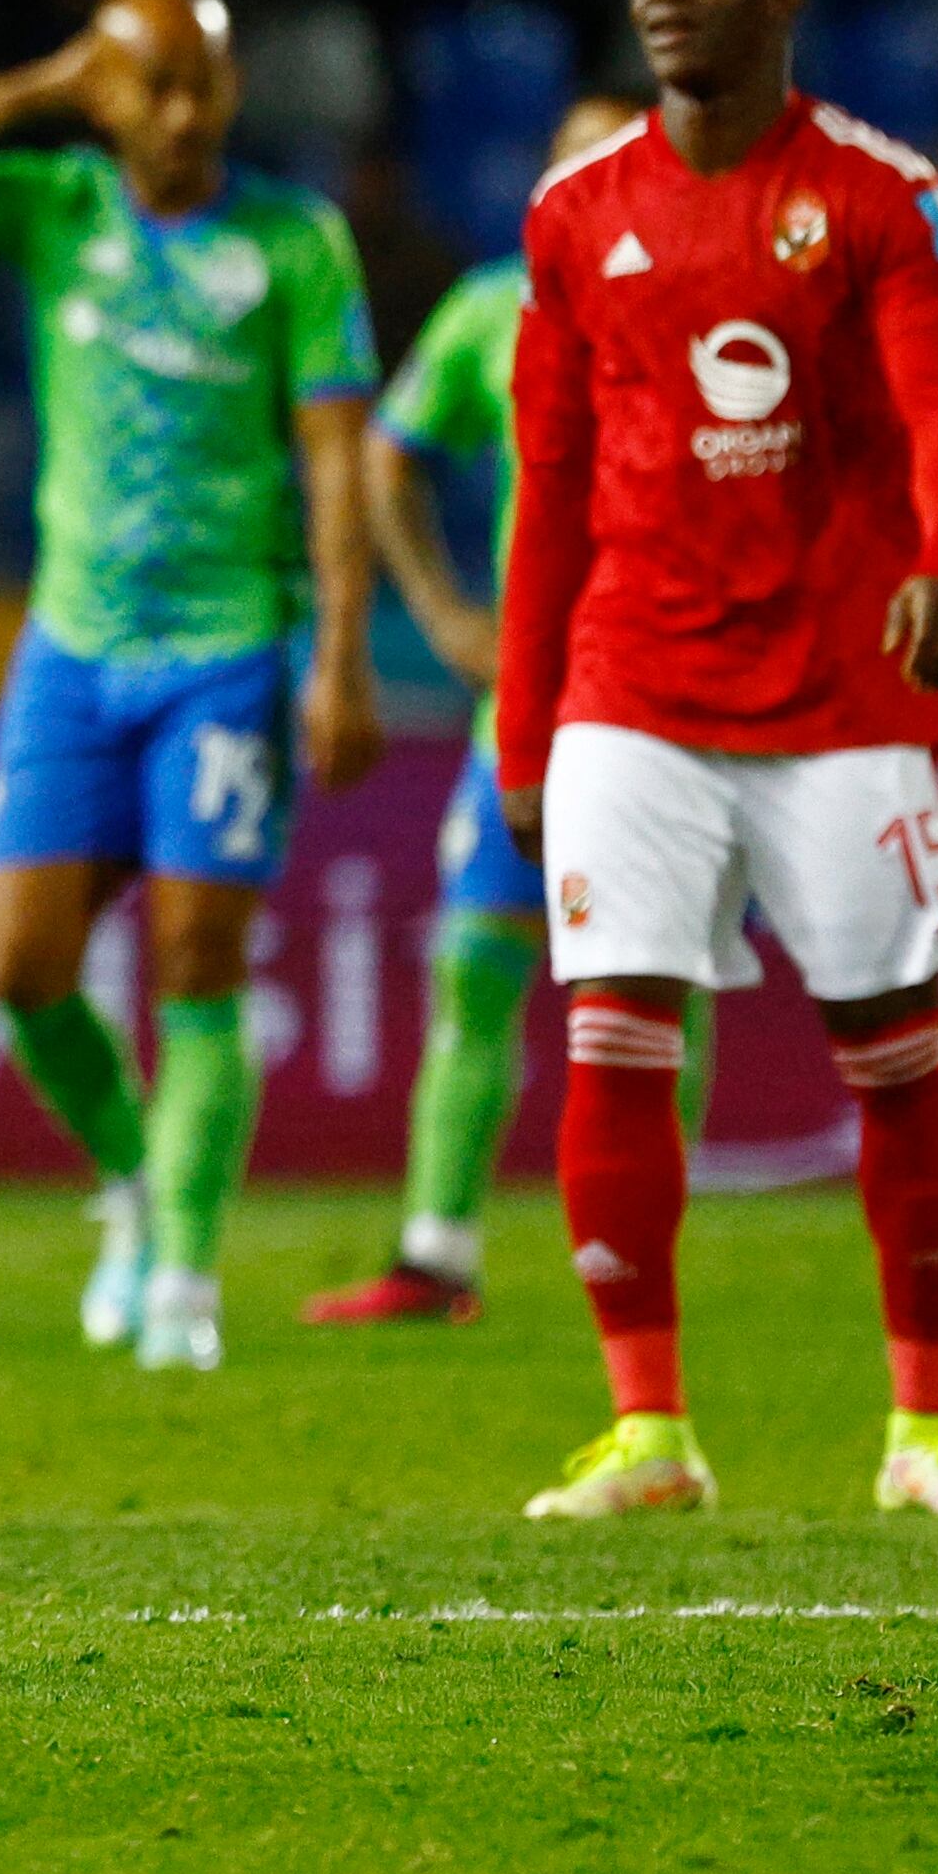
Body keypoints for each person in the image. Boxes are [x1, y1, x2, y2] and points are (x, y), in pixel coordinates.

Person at [497, 0, 938, 1522]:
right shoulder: (577, 210)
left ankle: (924, 1424)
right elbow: (552, 483)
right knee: (611, 1031)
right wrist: (525, 725)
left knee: (891, 1044)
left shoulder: (878, 192)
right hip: (631, 687)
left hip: (838, 685)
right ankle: (645, 1426)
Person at [0, 0, 385, 1372]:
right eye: (151, 84)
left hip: (226, 651)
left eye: (204, 81)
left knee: (200, 962)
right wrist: (42, 84)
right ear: (107, 92)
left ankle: (186, 1275)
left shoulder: (293, 243)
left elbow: (331, 459)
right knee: (21, 967)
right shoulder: (58, 207)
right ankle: (134, 1183)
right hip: (71, 646)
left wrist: (342, 656)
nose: (183, 111)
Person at [308, 97, 719, 1328]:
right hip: (529, 719)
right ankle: (434, 1253)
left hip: (676, 715)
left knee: (655, 992)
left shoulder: (716, 302)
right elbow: (389, 453)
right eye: (571, 158)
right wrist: (439, 614)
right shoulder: (496, 305)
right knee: (474, 970)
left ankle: (651, 1250)